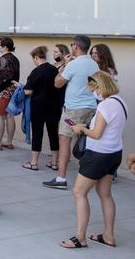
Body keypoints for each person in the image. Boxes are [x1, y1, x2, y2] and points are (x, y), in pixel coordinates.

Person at [61, 71, 128, 249]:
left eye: (93, 88)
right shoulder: (121, 102)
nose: (92, 92)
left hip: (97, 155)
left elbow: (97, 134)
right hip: (114, 154)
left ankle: (80, 238)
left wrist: (81, 129)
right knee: (105, 194)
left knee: (79, 192)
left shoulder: (105, 106)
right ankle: (109, 236)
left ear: (100, 86)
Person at [44, 35, 99, 190]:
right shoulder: (94, 64)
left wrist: (66, 65)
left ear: (75, 46)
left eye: (72, 45)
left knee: (64, 139)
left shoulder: (73, 65)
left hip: (74, 109)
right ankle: (91, 176)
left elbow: (58, 83)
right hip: (91, 107)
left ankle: (61, 178)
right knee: (88, 141)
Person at [21, 46, 63, 171]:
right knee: (53, 134)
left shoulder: (36, 71)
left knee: (37, 133)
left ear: (35, 57)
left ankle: (34, 162)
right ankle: (55, 162)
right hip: (54, 106)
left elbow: (28, 91)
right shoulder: (54, 69)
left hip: (39, 107)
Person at [0, 37, 20, 150]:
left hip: (2, 90)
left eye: (0, 45)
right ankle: (9, 142)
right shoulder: (15, 59)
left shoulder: (0, 60)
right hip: (13, 89)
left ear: (5, 47)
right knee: (9, 115)